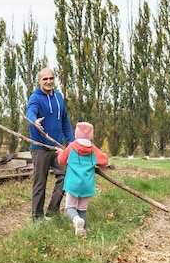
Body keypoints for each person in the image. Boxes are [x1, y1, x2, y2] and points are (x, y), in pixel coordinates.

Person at [26, 67, 74, 221]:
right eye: (45, 79)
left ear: (54, 79)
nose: (48, 82)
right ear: (39, 81)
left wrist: (71, 142)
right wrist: (34, 121)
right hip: (40, 148)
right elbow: (30, 111)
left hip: (58, 147)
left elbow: (65, 120)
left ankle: (52, 211)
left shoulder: (59, 97)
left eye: (51, 78)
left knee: (66, 176)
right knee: (40, 183)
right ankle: (37, 217)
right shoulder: (35, 98)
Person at [58, 122, 109, 237]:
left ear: (76, 133)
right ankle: (83, 232)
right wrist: (103, 155)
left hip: (73, 184)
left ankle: (76, 220)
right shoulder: (93, 149)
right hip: (87, 185)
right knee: (82, 209)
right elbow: (103, 161)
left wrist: (61, 152)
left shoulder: (72, 147)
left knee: (70, 207)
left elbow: (61, 160)